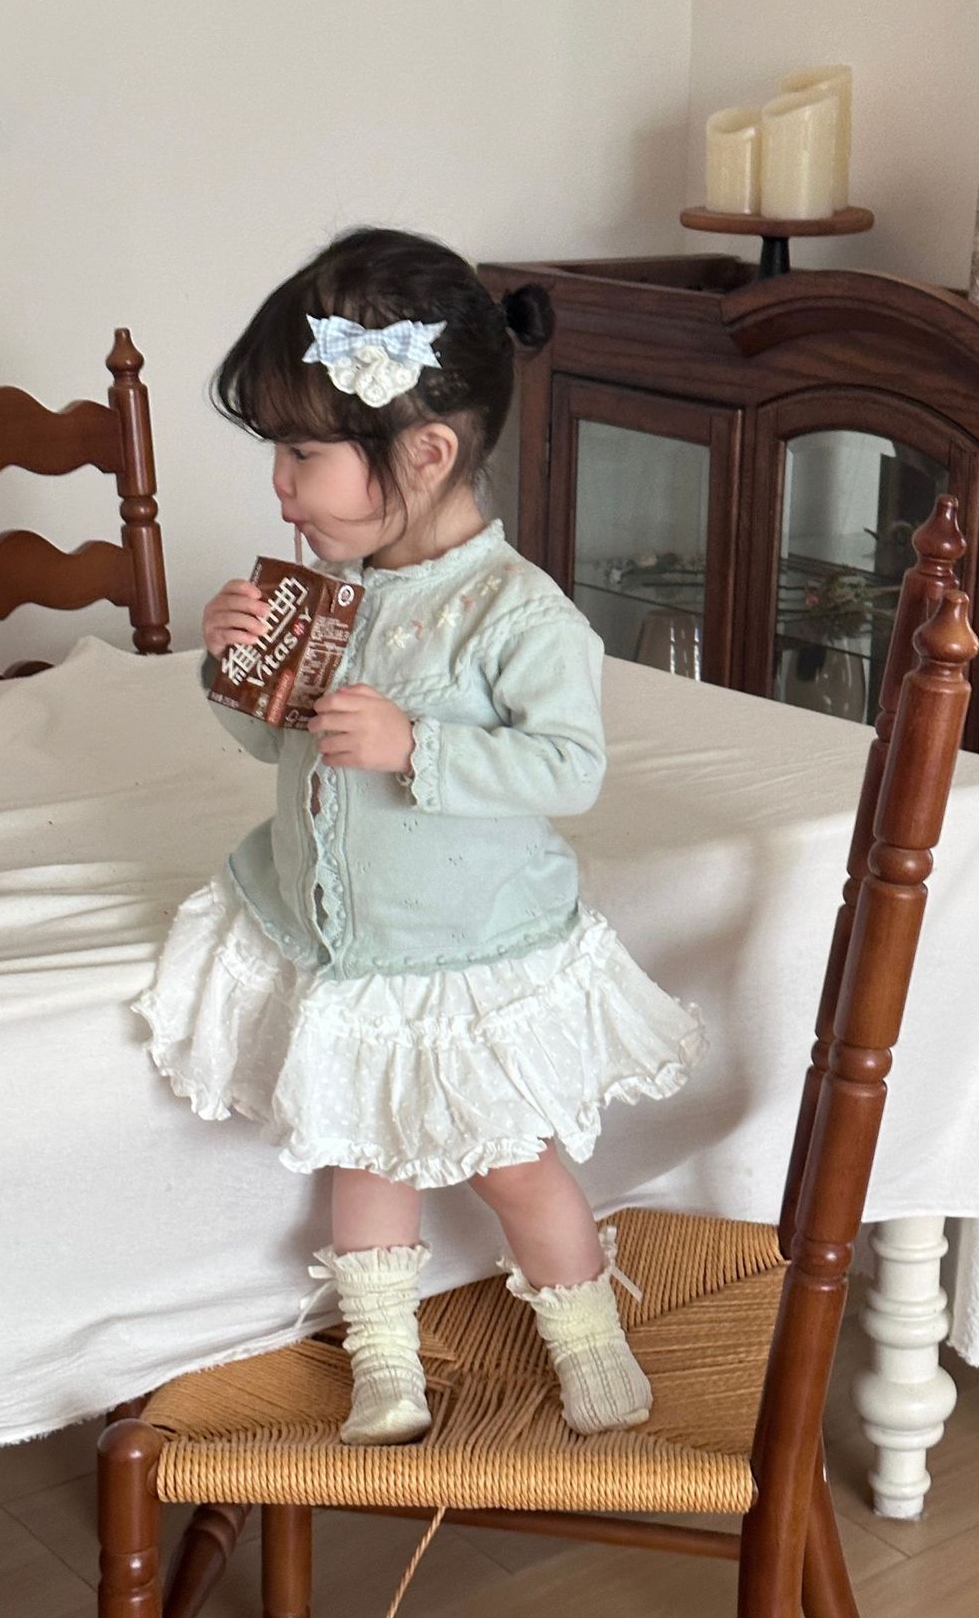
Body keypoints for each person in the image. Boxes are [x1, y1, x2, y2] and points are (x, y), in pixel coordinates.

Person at [134, 227, 705, 1446]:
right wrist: (235, 667)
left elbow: (570, 768)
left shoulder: (516, 613)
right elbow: (279, 748)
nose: (280, 486)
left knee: (516, 1162)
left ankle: (587, 1330)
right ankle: (385, 1358)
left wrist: (417, 746)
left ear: (428, 450)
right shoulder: (328, 593)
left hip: (461, 946)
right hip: (350, 947)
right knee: (364, 1156)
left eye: (302, 453)